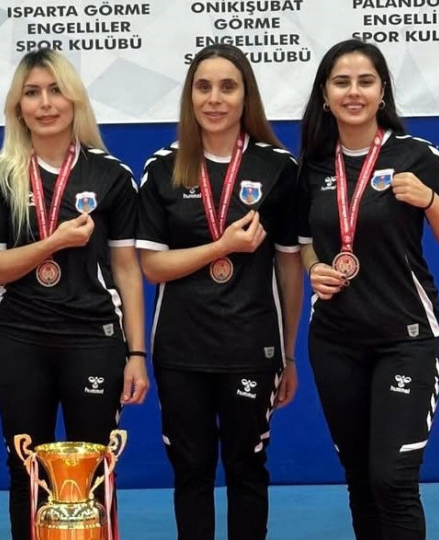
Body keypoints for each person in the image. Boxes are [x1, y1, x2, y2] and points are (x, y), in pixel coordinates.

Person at [297, 39, 439, 540]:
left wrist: (430, 198)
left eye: (365, 81)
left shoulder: (416, 155)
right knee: (360, 480)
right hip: (335, 341)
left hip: (405, 338)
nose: (353, 92)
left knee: (392, 480)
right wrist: (315, 268)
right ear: (325, 95)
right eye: (342, 82)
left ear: (382, 91)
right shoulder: (313, 166)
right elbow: (303, 243)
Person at [0, 48, 149, 539]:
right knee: (26, 469)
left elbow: (127, 270)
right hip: (20, 337)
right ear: (18, 107)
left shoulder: (111, 175)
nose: (45, 103)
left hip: (94, 337)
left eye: (56, 91)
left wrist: (137, 354)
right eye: (32, 93)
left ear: (75, 100)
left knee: (93, 472)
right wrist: (53, 242)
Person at [136, 44, 302, 540]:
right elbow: (153, 267)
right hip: (181, 349)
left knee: (247, 469)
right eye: (203, 87)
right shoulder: (163, 168)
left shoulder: (278, 168)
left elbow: (289, 268)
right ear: (189, 97)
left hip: (251, 346)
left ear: (246, 95)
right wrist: (222, 246)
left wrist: (288, 354)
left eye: (227, 87)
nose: (214, 99)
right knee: (192, 472)